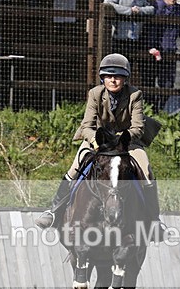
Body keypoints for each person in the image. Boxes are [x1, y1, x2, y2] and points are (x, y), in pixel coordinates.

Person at [35, 53, 163, 239]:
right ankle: (53, 212)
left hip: (127, 141)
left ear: (125, 78)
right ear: (102, 78)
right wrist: (96, 142)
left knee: (146, 169)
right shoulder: (95, 93)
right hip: (98, 139)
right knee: (74, 167)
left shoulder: (135, 95)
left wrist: (121, 140)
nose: (113, 80)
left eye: (117, 76)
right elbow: (87, 125)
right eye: (109, 76)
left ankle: (154, 221)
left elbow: (138, 127)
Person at [103, 0, 154, 85]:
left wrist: (139, 10)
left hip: (136, 39)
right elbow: (108, 5)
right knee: (117, 72)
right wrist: (129, 11)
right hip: (119, 38)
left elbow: (150, 8)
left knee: (129, 73)